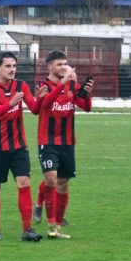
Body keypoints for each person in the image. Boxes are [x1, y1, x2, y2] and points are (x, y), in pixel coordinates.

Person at [0, 51, 45, 242]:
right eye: (8, 66)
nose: (12, 70)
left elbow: (34, 110)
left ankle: (27, 229)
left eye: (14, 66)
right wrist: (10, 103)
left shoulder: (21, 86)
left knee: (24, 182)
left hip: (19, 145)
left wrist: (41, 98)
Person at [30, 51, 93, 238]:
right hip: (47, 141)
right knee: (51, 179)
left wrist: (87, 94)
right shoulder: (43, 85)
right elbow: (44, 104)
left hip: (67, 142)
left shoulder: (73, 85)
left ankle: (57, 224)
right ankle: (50, 226)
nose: (64, 67)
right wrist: (63, 83)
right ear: (49, 66)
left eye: (65, 63)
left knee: (63, 183)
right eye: (59, 64)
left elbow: (86, 107)